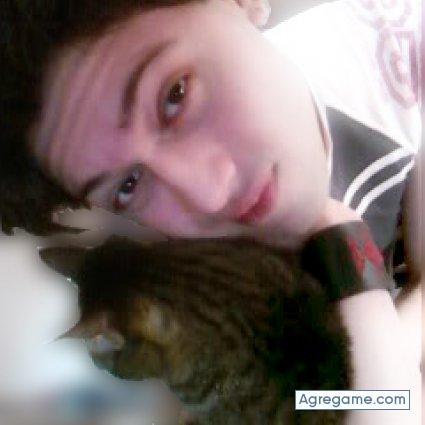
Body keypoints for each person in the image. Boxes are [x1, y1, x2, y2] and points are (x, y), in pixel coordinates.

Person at [0, 0, 422, 423]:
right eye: (128, 186)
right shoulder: (183, 283)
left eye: (175, 95)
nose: (209, 196)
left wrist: (372, 295)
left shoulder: (406, 52)